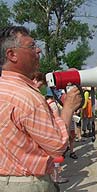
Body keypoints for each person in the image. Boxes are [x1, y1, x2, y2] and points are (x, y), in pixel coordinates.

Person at [0, 26, 82, 191]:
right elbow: (57, 146)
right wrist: (68, 108)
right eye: (31, 46)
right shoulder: (28, 97)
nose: (38, 50)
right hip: (28, 183)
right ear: (12, 55)